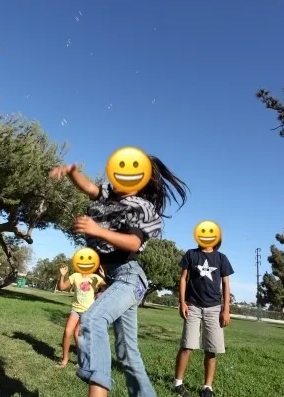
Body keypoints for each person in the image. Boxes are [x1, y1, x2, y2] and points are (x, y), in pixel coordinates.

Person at [49, 157, 189, 397]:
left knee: (92, 319)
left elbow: (134, 242)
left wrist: (97, 230)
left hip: (129, 276)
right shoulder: (109, 196)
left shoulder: (140, 206)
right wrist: (72, 172)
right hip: (116, 280)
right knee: (127, 352)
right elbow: (90, 187)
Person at [172, 241, 234, 397]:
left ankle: (207, 387)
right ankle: (177, 383)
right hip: (192, 306)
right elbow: (183, 278)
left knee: (211, 350)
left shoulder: (221, 258)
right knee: (187, 346)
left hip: (214, 309)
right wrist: (182, 303)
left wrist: (226, 309)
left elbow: (226, 284)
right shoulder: (191, 254)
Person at [56, 264, 106, 367]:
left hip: (87, 311)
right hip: (75, 309)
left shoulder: (95, 277)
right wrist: (62, 275)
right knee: (67, 332)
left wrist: (104, 276)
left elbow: (108, 287)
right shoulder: (75, 276)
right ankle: (64, 360)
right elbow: (61, 287)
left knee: (77, 334)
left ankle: (81, 361)